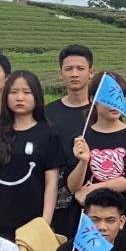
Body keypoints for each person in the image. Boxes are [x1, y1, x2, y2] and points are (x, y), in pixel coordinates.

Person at [0, 70, 62, 244]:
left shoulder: (48, 135)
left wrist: (45, 223)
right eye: (13, 92)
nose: (19, 98)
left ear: (36, 96)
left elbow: (51, 183)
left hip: (33, 222)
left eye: (26, 92)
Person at [65, 72, 126, 242]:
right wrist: (83, 162)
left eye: (120, 97)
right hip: (90, 224)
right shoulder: (81, 138)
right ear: (92, 99)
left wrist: (93, 189)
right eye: (108, 98)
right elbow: (73, 187)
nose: (114, 104)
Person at [44, 44, 97, 240]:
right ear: (60, 73)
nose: (74, 74)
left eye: (80, 68)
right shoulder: (48, 113)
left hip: (95, 199)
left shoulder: (101, 111)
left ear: (91, 72)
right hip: (59, 203)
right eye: (68, 69)